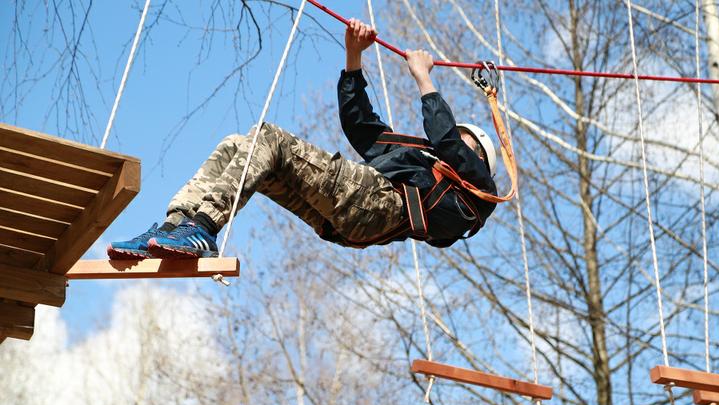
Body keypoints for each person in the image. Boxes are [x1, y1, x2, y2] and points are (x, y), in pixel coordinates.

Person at [108, 19, 498, 259]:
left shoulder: (477, 192)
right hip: (347, 220)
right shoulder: (423, 164)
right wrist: (353, 58)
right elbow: (363, 129)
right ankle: (176, 227)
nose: (454, 145)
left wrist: (424, 78)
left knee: (270, 138)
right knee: (241, 147)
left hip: (378, 203)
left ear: (476, 156)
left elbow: (447, 140)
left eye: (464, 144)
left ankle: (204, 227)